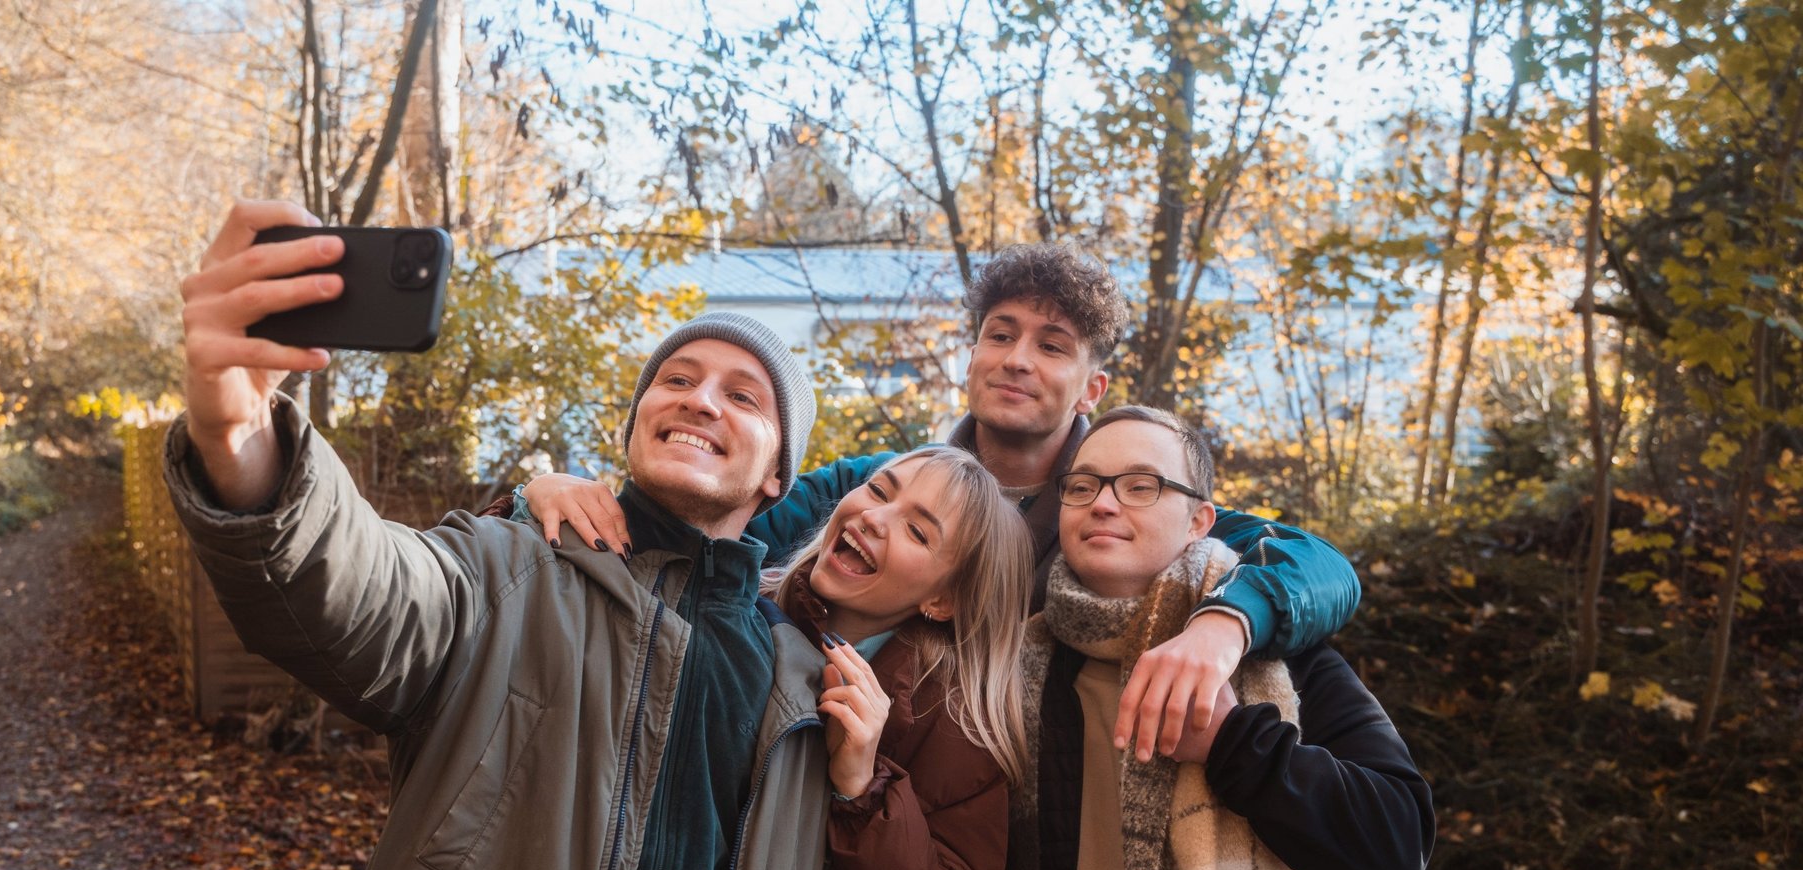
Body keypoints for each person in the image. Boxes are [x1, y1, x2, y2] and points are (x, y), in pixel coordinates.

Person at [166, 201, 868, 870]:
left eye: (744, 395)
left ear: (780, 473)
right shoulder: (507, 570)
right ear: (634, 424)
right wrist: (242, 434)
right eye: (678, 378)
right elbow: (360, 590)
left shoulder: (801, 686)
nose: (700, 399)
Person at [520, 243, 1365, 768]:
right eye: (999, 334)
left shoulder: (1123, 511)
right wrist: (559, 495)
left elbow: (1320, 567)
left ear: (1093, 387)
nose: (1016, 358)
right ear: (970, 358)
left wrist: (1226, 626)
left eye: (1051, 344)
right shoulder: (867, 488)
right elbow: (711, 536)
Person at [968, 406, 1435, 870]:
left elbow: (1395, 846)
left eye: (1142, 484)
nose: (1104, 500)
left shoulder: (1278, 660)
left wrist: (1233, 743)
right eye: (1084, 483)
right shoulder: (1009, 660)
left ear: (1200, 520)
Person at [765, 446, 1032, 870]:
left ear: (941, 598)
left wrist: (866, 786)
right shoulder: (746, 609)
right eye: (878, 491)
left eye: (917, 530)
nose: (875, 517)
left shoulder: (960, 721)